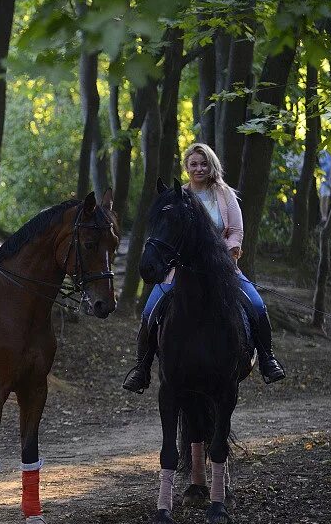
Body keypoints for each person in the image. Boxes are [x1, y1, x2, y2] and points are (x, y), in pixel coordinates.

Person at [122, 142, 286, 393]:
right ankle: (141, 369)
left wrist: (230, 253)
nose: (199, 168)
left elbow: (237, 231)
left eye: (203, 163)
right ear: (186, 167)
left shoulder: (225, 194)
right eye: (194, 164)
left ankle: (267, 359)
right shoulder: (178, 196)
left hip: (221, 268)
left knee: (256, 305)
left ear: (212, 165)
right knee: (149, 311)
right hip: (181, 271)